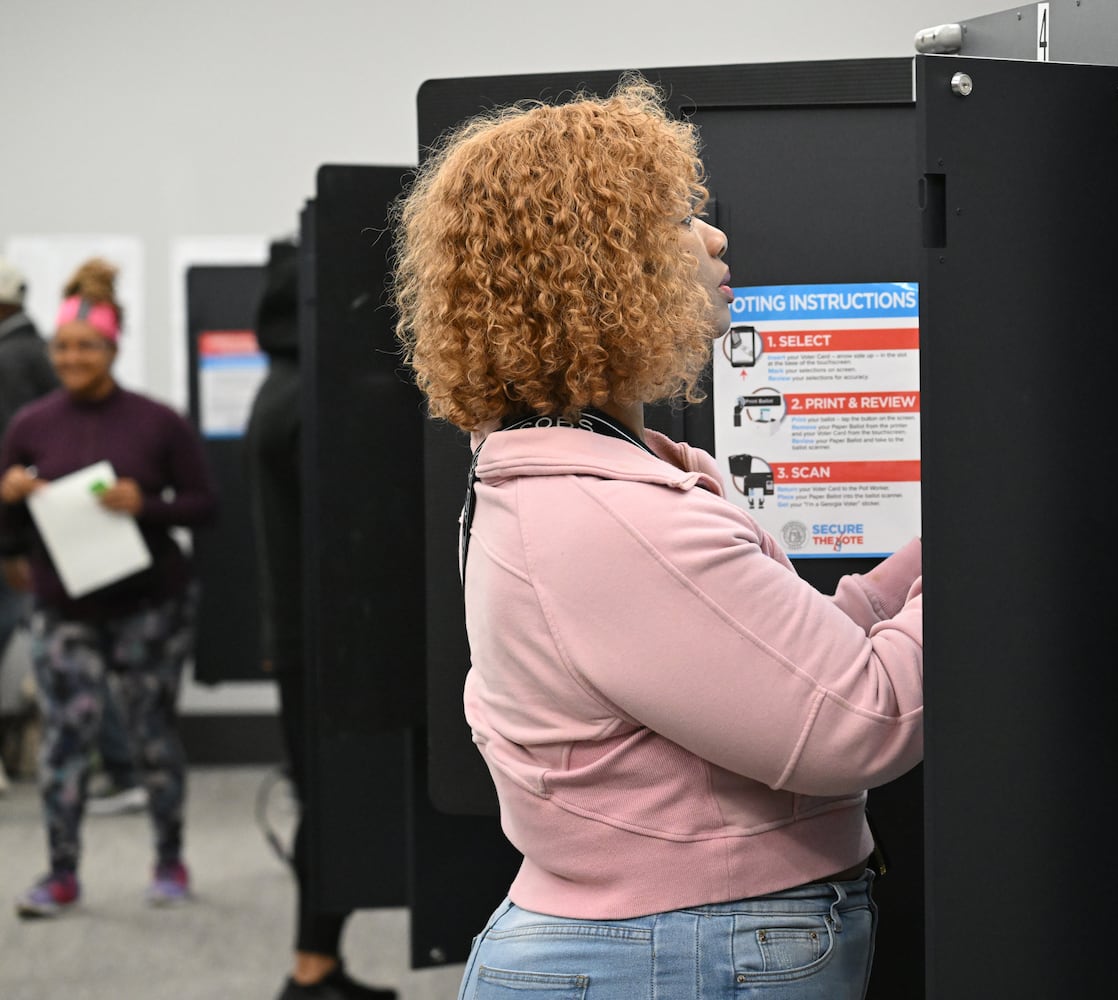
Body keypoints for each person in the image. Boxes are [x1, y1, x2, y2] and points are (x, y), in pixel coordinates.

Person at [393, 80, 921, 1000]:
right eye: (680, 219)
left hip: (674, 947)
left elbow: (792, 654)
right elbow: (858, 721)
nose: (714, 238)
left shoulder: (593, 476)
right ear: (596, 266)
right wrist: (1012, 570)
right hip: (682, 954)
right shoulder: (608, 519)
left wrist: (971, 535)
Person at [0, 258, 217, 918]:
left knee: (152, 734)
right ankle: (61, 874)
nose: (71, 358)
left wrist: (144, 504)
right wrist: (8, 497)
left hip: (151, 604)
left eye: (85, 346)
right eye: (62, 347)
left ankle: (169, 860)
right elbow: (12, 522)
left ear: (112, 348)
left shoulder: (158, 422)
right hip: (65, 605)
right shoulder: (30, 425)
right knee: (67, 737)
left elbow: (206, 505)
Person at [245, 240, 398, 1000]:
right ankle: (310, 973)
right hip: (326, 636)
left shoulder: (279, 388)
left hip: (304, 634)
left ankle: (319, 966)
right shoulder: (310, 401)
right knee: (332, 800)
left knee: (328, 797)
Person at [0, 257, 58, 795]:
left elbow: (12, 460)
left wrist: (10, 544)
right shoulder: (36, 353)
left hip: (23, 537)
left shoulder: (9, 359)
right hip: (53, 532)